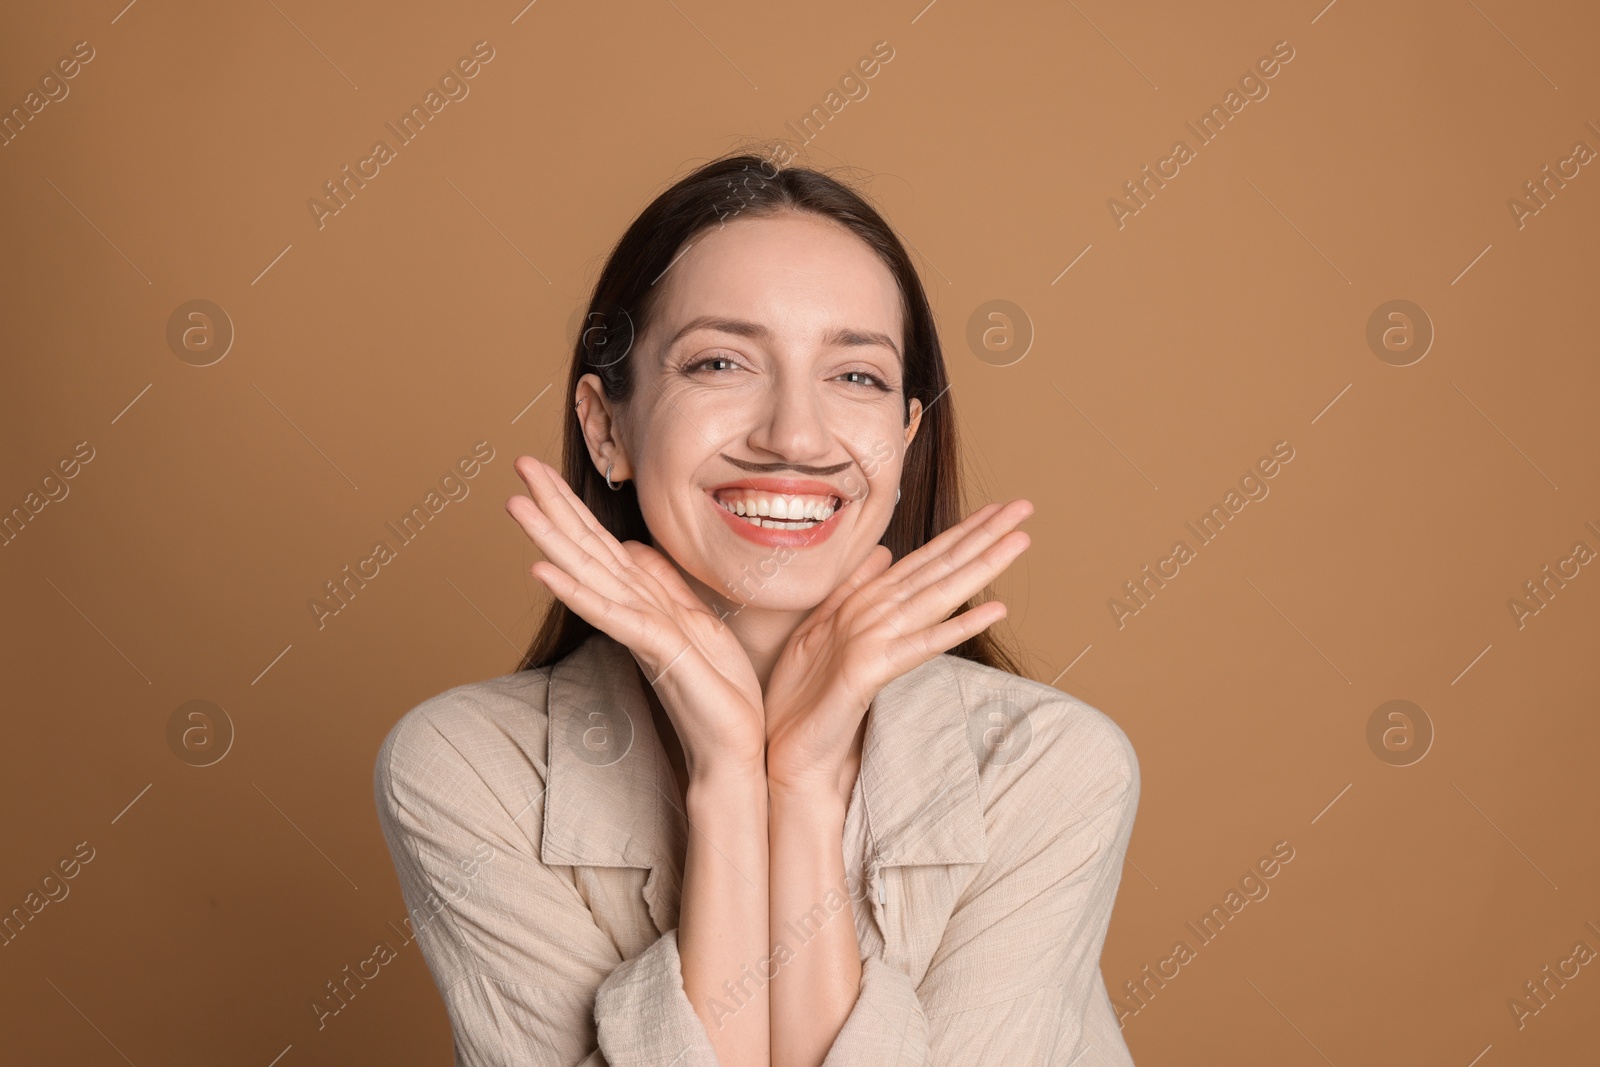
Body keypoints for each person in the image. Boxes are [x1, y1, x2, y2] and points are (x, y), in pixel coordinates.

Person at [373, 150, 1140, 1067]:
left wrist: (804, 788)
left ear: (904, 439)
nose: (795, 434)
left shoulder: (1049, 768)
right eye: (722, 361)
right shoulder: (464, 772)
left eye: (854, 375)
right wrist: (730, 781)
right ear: (606, 425)